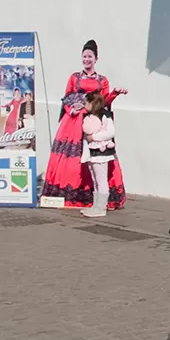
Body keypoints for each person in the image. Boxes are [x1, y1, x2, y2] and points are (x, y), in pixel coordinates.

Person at [42, 40, 128, 209]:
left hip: (94, 120)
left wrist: (115, 93)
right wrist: (70, 110)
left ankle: (98, 198)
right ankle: (72, 194)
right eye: (84, 56)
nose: (87, 59)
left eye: (90, 56)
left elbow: (104, 101)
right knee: (73, 159)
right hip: (74, 121)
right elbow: (67, 97)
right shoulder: (74, 77)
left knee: (96, 157)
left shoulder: (102, 80)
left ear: (96, 59)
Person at [79, 91, 117, 218]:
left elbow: (111, 132)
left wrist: (94, 137)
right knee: (95, 180)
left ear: (92, 103)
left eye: (86, 103)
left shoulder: (104, 115)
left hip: (101, 152)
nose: (84, 105)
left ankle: (101, 207)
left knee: (101, 180)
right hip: (91, 152)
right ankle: (96, 205)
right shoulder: (89, 116)